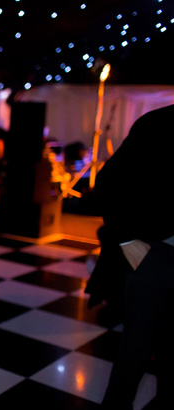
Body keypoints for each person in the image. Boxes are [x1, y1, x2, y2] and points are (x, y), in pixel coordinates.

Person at [85, 104, 174, 409]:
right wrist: (126, 240)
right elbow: (108, 181)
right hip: (157, 254)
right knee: (133, 357)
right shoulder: (160, 122)